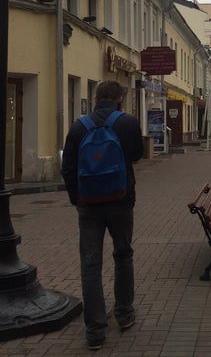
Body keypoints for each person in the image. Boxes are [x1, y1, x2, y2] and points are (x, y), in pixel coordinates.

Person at [61, 80, 144, 350]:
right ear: (119, 99)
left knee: (90, 265)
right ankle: (124, 314)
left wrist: (77, 200)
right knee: (123, 255)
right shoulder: (127, 122)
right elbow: (137, 155)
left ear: (96, 98)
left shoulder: (78, 126)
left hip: (89, 205)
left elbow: (67, 168)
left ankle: (95, 331)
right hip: (121, 200)